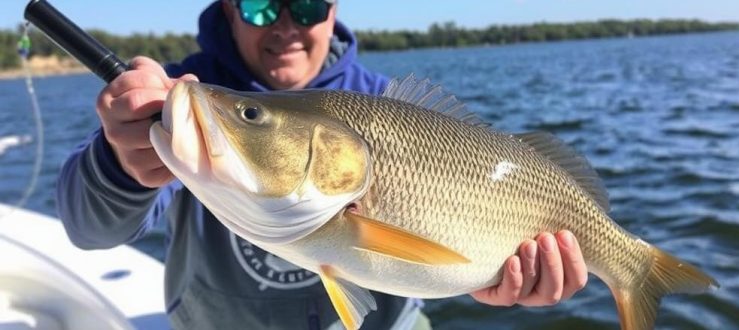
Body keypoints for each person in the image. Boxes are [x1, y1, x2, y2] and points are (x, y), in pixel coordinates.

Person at [56, 0, 588, 329]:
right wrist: (121, 161)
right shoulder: (186, 103)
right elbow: (87, 230)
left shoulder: (382, 105)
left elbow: (449, 255)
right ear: (228, 8)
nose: (286, 26)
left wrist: (488, 278)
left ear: (334, 10)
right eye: (263, 6)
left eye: (308, 6)